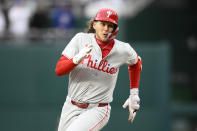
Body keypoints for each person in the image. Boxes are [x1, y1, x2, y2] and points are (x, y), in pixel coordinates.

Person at [55, 8, 142, 131]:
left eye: (110, 25)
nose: (106, 28)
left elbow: (136, 63)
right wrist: (76, 59)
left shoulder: (123, 49)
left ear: (115, 29)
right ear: (94, 24)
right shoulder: (80, 39)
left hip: (98, 109)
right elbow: (59, 70)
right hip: (71, 105)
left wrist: (134, 93)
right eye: (103, 24)